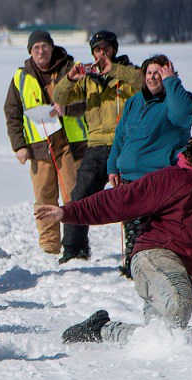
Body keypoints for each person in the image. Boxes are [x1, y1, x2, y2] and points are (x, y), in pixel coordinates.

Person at [35, 124, 192, 344]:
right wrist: (67, 212)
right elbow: (120, 200)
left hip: (186, 272)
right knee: (181, 304)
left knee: (159, 338)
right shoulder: (171, 179)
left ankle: (101, 330)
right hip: (154, 257)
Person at [52, 30, 142, 264]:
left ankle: (139, 250)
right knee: (79, 197)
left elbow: (144, 83)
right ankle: (74, 249)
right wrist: (71, 77)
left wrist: (115, 70)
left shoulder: (128, 72)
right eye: (97, 50)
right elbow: (60, 97)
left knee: (131, 198)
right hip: (96, 146)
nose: (102, 53)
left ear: (114, 50)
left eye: (106, 49)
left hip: (124, 145)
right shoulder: (88, 79)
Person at [107, 54, 192, 275]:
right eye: (149, 73)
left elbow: (183, 116)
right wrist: (113, 165)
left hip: (160, 177)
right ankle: (134, 268)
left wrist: (172, 82)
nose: (152, 77)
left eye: (159, 72)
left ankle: (160, 268)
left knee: (157, 228)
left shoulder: (178, 100)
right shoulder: (134, 102)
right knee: (133, 228)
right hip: (129, 176)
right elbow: (120, 135)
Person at [4, 30, 88, 255]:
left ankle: (75, 244)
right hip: (39, 147)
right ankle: (49, 246)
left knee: (73, 196)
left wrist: (67, 109)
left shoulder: (73, 69)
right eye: (36, 48)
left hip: (70, 144)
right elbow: (12, 113)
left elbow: (90, 101)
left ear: (52, 47)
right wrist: (19, 145)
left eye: (44, 46)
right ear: (30, 52)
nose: (41, 51)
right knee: (44, 197)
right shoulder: (21, 77)